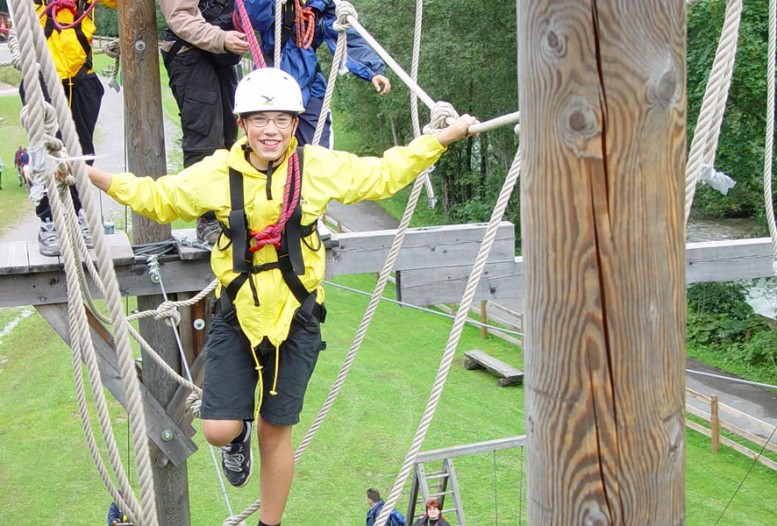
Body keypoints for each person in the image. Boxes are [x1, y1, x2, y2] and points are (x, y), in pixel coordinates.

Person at [85, 67, 476, 526]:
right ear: (243, 125)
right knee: (217, 428)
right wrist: (93, 175)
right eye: (260, 120)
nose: (270, 130)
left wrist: (441, 138)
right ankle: (236, 439)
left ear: (294, 125)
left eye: (281, 120)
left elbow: (384, 174)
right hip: (239, 315)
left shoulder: (316, 169)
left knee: (276, 432)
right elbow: (160, 197)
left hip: (297, 319)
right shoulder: (218, 173)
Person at [25, 0, 116, 256]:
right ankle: (49, 222)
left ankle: (77, 214)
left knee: (82, 150)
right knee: (44, 150)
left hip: (80, 78)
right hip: (41, 76)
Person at [158, 0, 250, 245]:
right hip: (190, 52)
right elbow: (179, 16)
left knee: (231, 136)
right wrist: (221, 39)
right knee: (205, 137)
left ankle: (227, 212)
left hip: (219, 51)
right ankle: (207, 218)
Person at [245, 0, 392, 148]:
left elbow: (345, 36)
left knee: (318, 152)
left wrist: (372, 70)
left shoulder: (322, 4)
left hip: (309, 85)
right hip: (268, 84)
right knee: (267, 149)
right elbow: (255, 18)